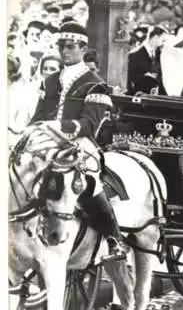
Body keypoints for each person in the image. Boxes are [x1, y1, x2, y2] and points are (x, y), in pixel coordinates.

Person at [28, 21, 126, 262]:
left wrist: (59, 127)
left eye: (70, 47)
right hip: (48, 140)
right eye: (60, 47)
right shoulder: (50, 82)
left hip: (81, 143)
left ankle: (113, 238)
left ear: (83, 49)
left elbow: (90, 124)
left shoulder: (94, 83)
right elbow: (38, 116)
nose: (64, 52)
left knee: (89, 178)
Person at [126, 25, 168, 95]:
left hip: (158, 97)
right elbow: (130, 80)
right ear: (156, 37)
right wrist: (144, 77)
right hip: (140, 96)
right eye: (163, 40)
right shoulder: (134, 54)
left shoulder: (161, 54)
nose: (164, 43)